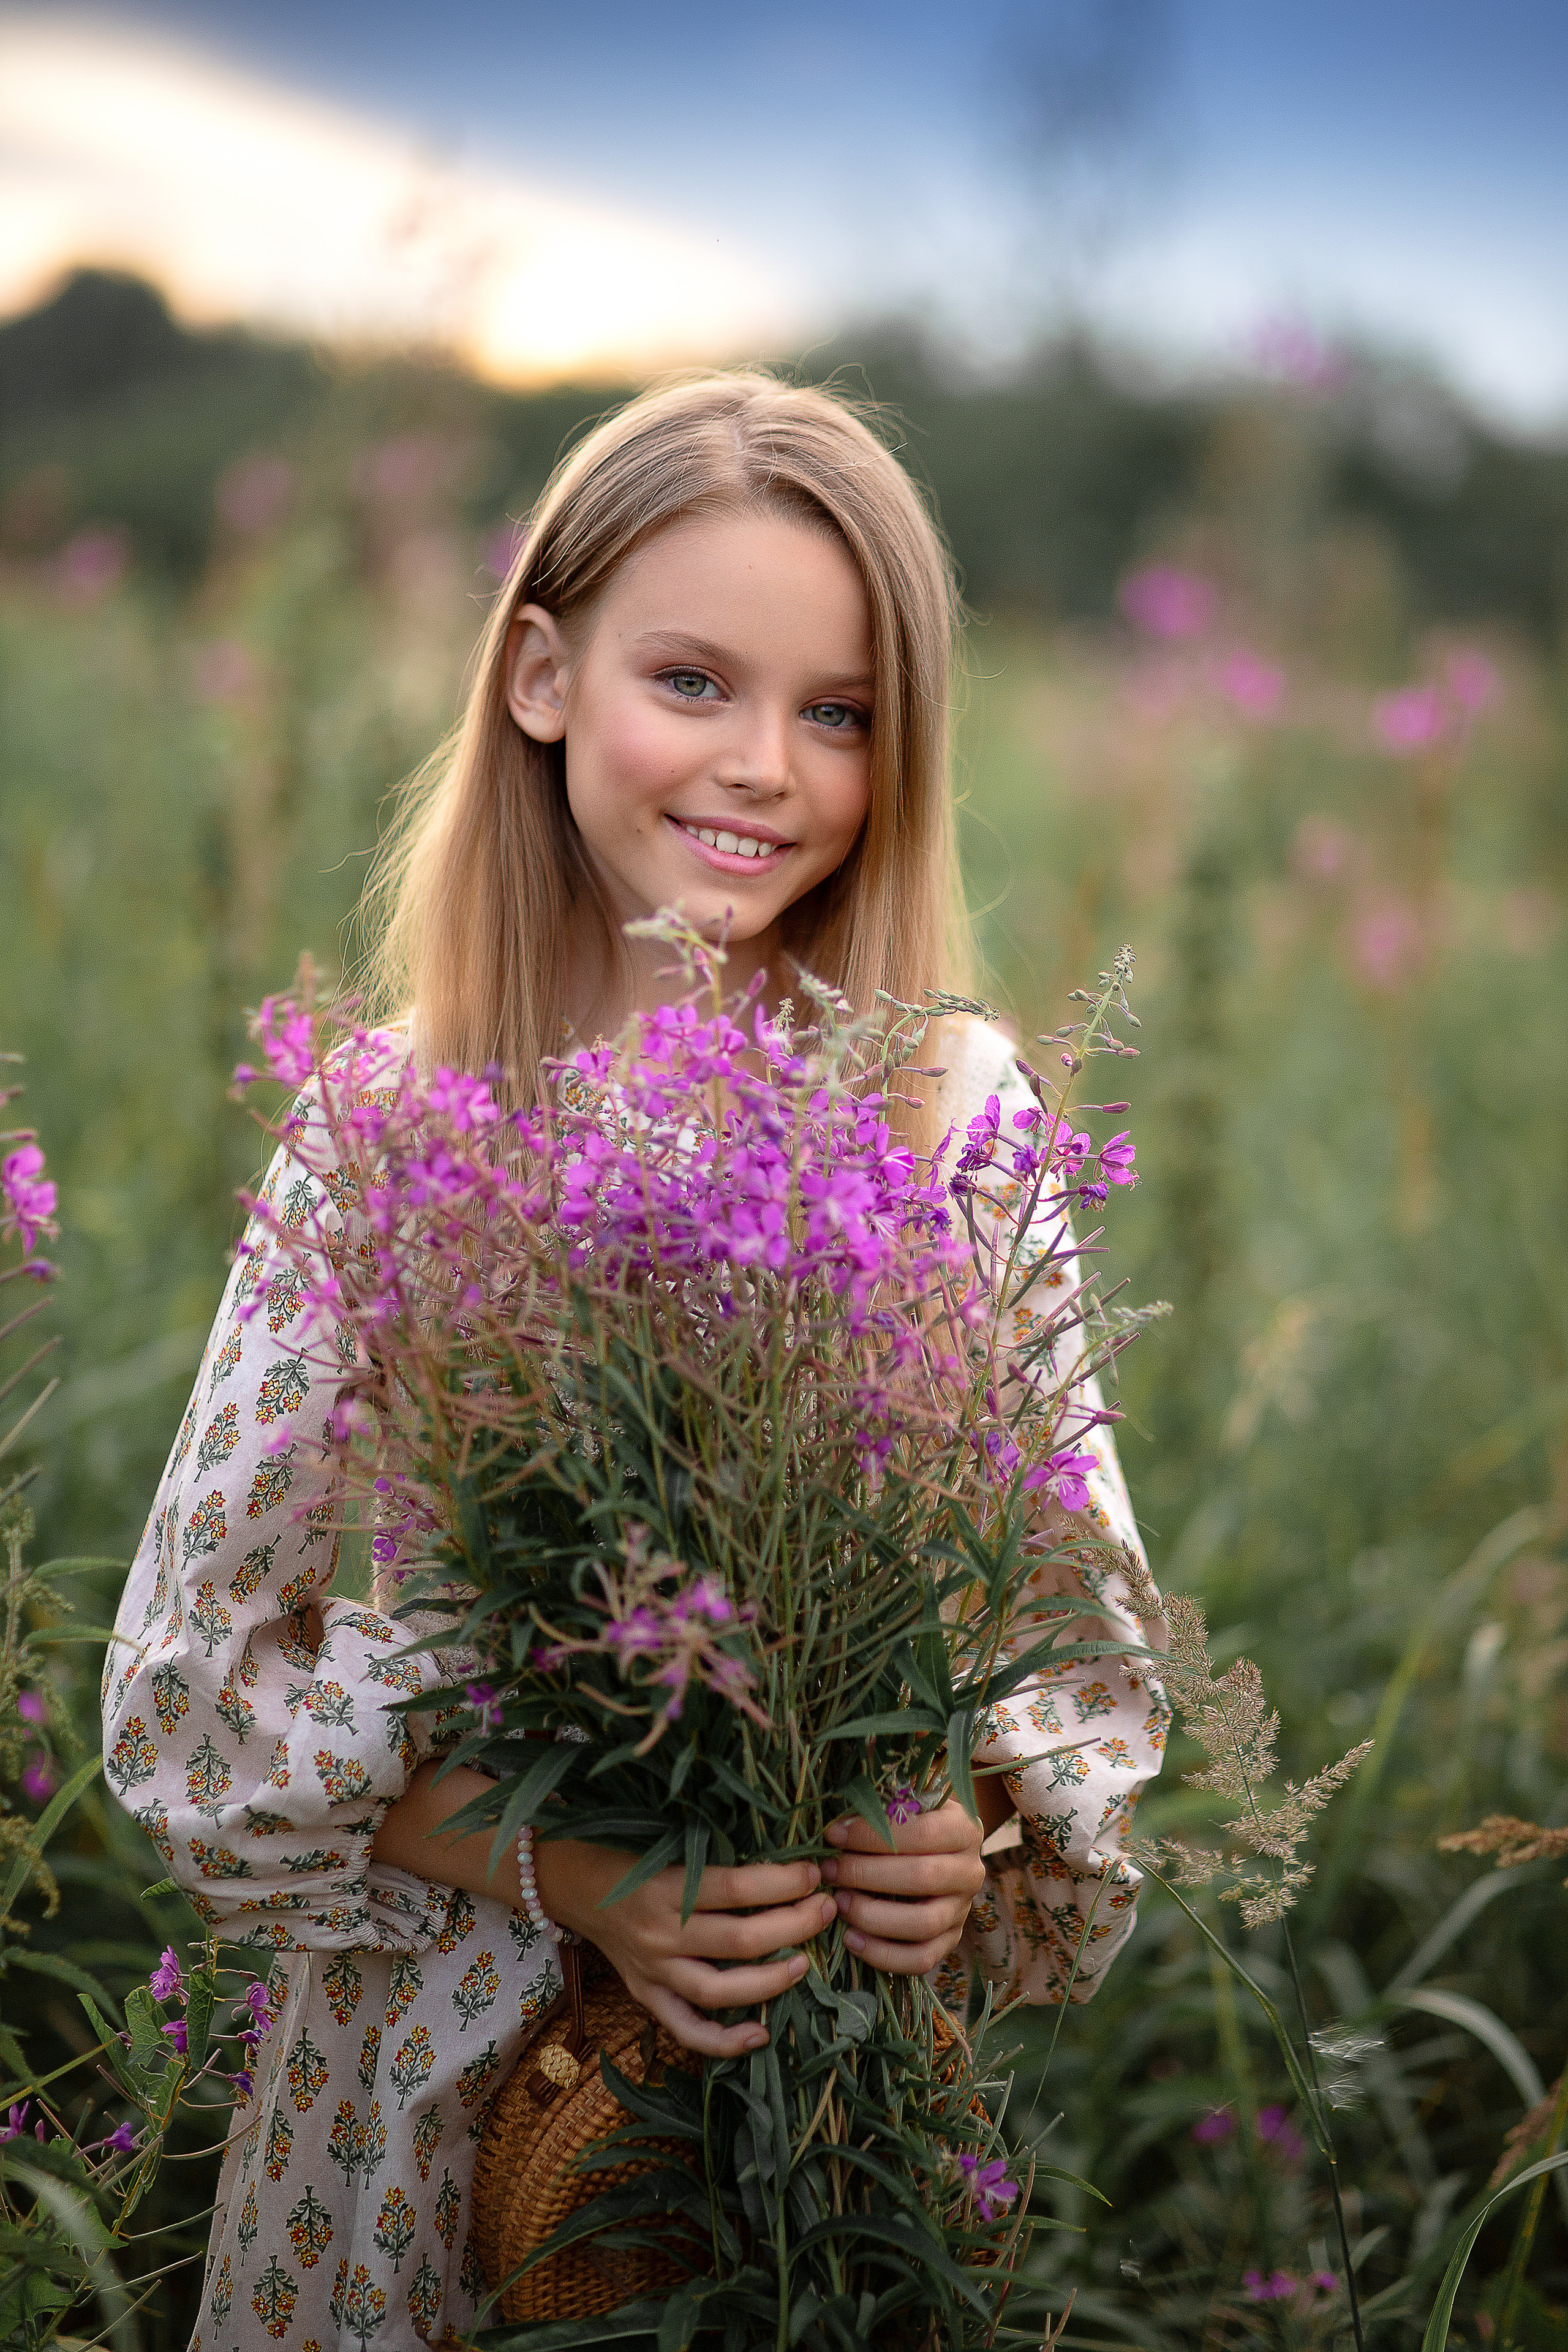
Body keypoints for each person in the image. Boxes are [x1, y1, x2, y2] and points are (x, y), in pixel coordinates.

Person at [102, 373, 1164, 2351]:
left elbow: (1075, 1634)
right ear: (541, 676)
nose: (767, 765)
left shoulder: (949, 1108)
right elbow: (195, 1687)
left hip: (825, 2099)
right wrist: (573, 1870)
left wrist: (970, 1833)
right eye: (693, 681)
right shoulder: (396, 1121)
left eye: (842, 712)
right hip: (440, 2077)